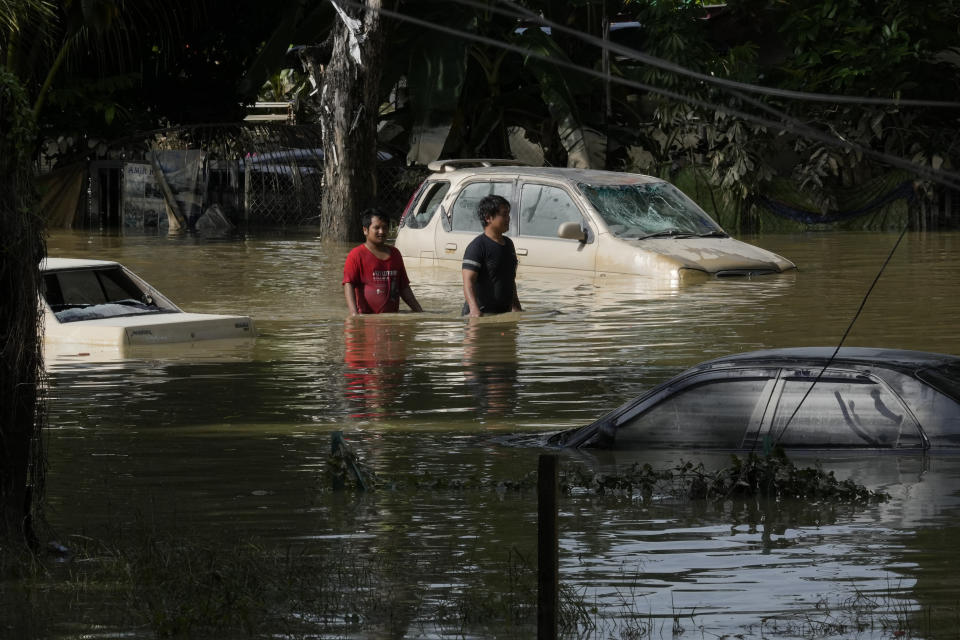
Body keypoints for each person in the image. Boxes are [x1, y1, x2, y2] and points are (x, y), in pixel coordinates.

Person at [343, 208, 424, 315]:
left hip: (391, 319)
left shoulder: (395, 254)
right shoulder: (356, 255)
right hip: (367, 319)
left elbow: (404, 287)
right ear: (365, 230)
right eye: (376, 228)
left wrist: (420, 312)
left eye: (385, 227)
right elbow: (348, 284)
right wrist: (354, 316)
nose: (381, 231)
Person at [461, 194, 522, 317]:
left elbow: (509, 280)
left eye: (508, 214)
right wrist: (474, 310)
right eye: (504, 215)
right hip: (482, 316)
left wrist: (516, 308)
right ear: (488, 217)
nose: (508, 219)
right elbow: (468, 281)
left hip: (503, 315)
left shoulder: (509, 244)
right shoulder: (477, 246)